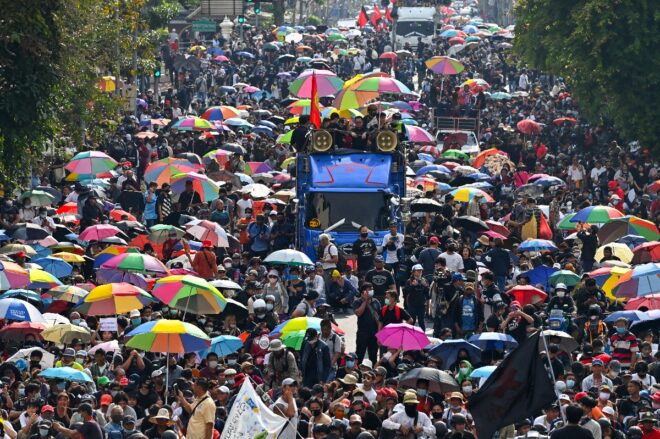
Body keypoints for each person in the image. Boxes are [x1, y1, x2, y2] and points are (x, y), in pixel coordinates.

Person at [353, 283, 381, 364]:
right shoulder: (357, 302)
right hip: (363, 333)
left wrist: (379, 333)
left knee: (373, 356)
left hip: (374, 333)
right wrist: (365, 301)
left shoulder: (376, 302)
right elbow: (358, 313)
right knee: (359, 355)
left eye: (372, 289)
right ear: (363, 292)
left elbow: (379, 319)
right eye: (369, 290)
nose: (372, 291)